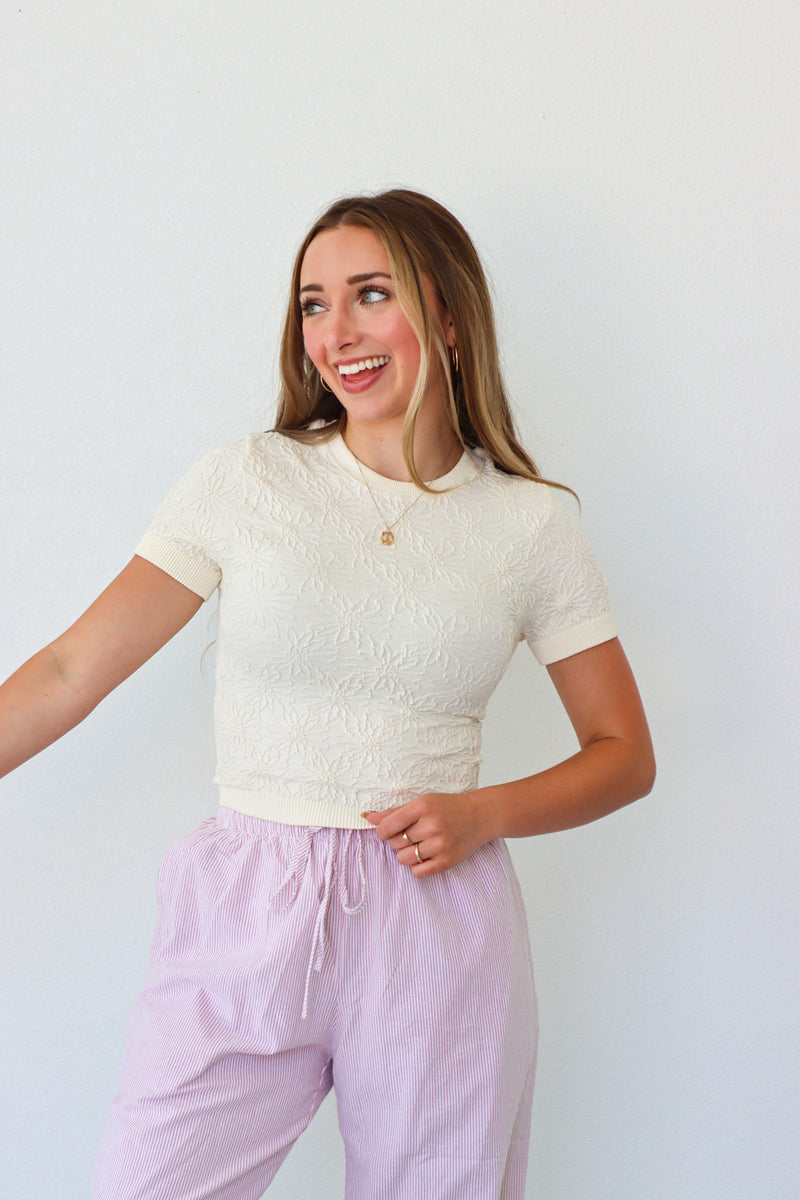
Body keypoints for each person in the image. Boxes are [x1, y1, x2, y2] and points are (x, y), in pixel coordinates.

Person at [0, 188, 655, 1199]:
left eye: (367, 294)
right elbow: (68, 670)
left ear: (444, 314)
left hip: (437, 920)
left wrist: (484, 813)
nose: (333, 333)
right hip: (246, 902)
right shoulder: (248, 480)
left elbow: (622, 751)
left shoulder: (530, 527)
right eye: (312, 304)